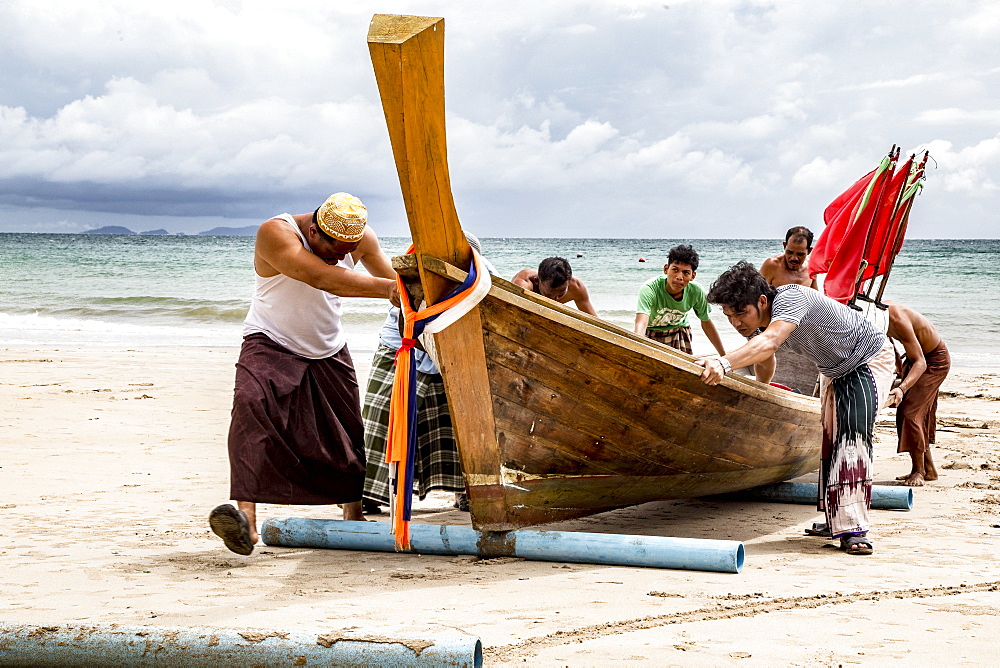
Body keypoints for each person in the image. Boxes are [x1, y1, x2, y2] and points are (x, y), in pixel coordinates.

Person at [208, 192, 399, 556]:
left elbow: (395, 283)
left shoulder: (360, 240)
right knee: (250, 408)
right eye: (336, 249)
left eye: (350, 249)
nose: (344, 256)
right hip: (269, 338)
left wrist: (422, 290)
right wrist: (391, 290)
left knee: (346, 430)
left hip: (327, 344)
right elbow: (320, 277)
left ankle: (353, 516)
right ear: (314, 231)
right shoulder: (275, 232)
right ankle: (245, 520)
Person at [697, 261, 895, 555]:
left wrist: (724, 363)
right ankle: (836, 519)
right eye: (729, 316)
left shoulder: (790, 298)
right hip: (833, 368)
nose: (736, 322)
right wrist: (760, 391)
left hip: (867, 358)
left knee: (852, 439)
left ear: (762, 301)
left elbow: (771, 342)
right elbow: (765, 360)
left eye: (741, 313)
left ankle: (854, 530)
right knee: (830, 440)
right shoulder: (758, 328)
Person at [361, 234, 496, 515]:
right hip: (404, 344)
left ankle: (468, 492)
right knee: (383, 413)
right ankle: (370, 494)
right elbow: (405, 325)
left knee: (466, 422)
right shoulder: (413, 271)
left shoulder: (484, 278)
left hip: (455, 349)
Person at [885, 301, 950, 487]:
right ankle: (929, 469)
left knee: (910, 413)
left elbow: (921, 362)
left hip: (934, 361)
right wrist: (897, 363)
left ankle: (918, 471)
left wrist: (901, 388)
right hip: (916, 357)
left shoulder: (897, 318)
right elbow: (887, 342)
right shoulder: (874, 316)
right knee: (915, 413)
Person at [756, 226, 820, 393]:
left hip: (799, 327)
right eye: (789, 252)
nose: (793, 258)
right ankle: (763, 387)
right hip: (772, 327)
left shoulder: (812, 268)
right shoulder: (772, 265)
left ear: (809, 251)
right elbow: (755, 297)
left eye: (800, 254)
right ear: (784, 245)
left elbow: (815, 297)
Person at [633, 244, 726, 356]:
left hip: (678, 331)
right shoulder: (649, 289)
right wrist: (635, 349)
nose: (679, 277)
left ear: (693, 276)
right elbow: (641, 324)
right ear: (666, 269)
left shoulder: (696, 291)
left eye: (686, 272)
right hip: (651, 330)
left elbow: (706, 322)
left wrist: (724, 356)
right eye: (675, 270)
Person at [512, 257, 598, 316]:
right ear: (537, 281)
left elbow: (594, 321)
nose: (554, 299)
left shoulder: (576, 287)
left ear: (568, 283)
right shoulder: (523, 284)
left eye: (560, 294)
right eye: (549, 295)